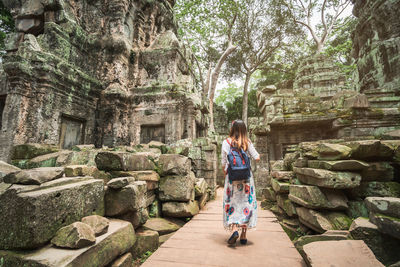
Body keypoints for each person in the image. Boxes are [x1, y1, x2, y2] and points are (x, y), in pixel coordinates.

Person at [221, 119, 260, 245]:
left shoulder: (226, 142)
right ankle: (243, 235)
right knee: (246, 204)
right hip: (246, 179)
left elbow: (223, 164)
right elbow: (257, 157)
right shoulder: (247, 142)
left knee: (232, 203)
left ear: (232, 129)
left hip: (232, 179)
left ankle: (234, 229)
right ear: (244, 129)